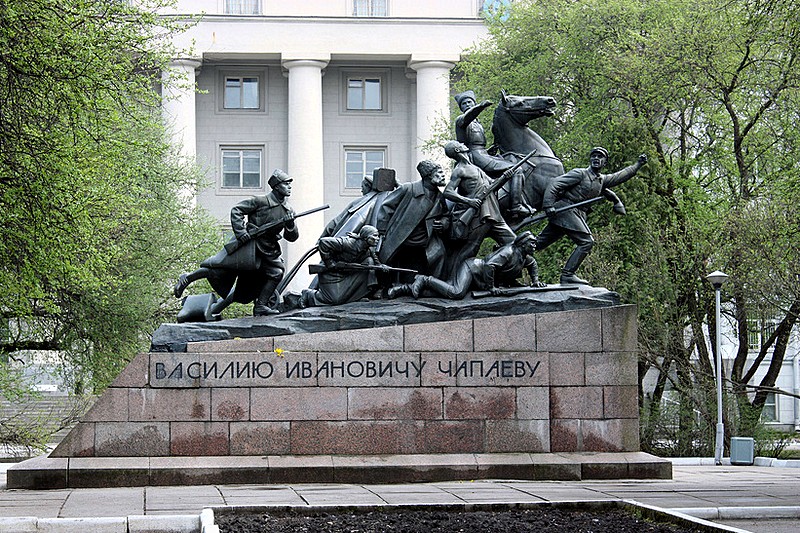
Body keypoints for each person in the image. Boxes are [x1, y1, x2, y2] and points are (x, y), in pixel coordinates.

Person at [173, 169, 299, 317]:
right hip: (249, 245)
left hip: (268, 250)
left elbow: (292, 237)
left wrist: (290, 224)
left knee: (276, 272)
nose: (289, 187)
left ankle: (261, 306)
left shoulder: (288, 210)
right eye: (286, 184)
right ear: (277, 186)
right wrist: (241, 233)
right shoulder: (260, 201)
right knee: (220, 268)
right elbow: (237, 210)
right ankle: (188, 277)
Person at [538, 147, 647, 285]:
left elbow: (619, 176)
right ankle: (567, 275)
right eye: (594, 156)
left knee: (538, 243)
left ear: (604, 163)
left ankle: (510, 260)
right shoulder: (580, 173)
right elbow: (555, 184)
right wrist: (548, 205)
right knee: (586, 242)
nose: (596, 158)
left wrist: (637, 164)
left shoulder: (601, 180)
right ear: (590, 159)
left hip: (577, 214)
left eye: (600, 157)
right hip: (566, 210)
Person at [389, 231, 544, 300]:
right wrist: (491, 287)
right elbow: (490, 266)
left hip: (480, 279)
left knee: (443, 292)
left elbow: (533, 265)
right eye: (532, 243)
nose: (535, 246)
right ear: (523, 244)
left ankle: (403, 289)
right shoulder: (508, 252)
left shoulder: (525, 257)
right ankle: (425, 279)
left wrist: (535, 280)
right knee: (456, 293)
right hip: (473, 269)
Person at [442, 140, 517, 279]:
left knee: (514, 243)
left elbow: (492, 185)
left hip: (493, 212)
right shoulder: (460, 170)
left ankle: (502, 278)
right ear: (458, 150)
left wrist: (505, 178)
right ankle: (452, 280)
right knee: (468, 251)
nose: (463, 143)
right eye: (460, 143)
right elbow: (448, 192)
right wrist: (469, 201)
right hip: (478, 216)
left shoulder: (475, 168)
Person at [454, 90, 533, 217]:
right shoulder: (461, 120)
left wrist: (489, 151)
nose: (467, 105)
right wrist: (480, 107)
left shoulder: (477, 124)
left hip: (483, 154)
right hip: (474, 157)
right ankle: (516, 206)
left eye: (470, 102)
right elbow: (468, 116)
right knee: (516, 170)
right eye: (464, 104)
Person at [375, 159, 449, 281]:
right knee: (389, 269)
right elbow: (386, 207)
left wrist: (443, 223)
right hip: (401, 239)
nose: (443, 176)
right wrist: (382, 232)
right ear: (428, 176)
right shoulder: (408, 189)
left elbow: (446, 215)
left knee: (426, 266)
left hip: (425, 243)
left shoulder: (439, 196)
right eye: (439, 173)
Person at [295, 225, 386, 307]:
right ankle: (308, 294)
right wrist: (330, 263)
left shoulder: (370, 249)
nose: (377, 238)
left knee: (369, 262)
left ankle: (361, 295)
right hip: (331, 273)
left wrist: (382, 267)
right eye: (375, 236)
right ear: (366, 236)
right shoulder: (347, 243)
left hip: (348, 273)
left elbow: (376, 263)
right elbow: (323, 243)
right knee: (334, 300)